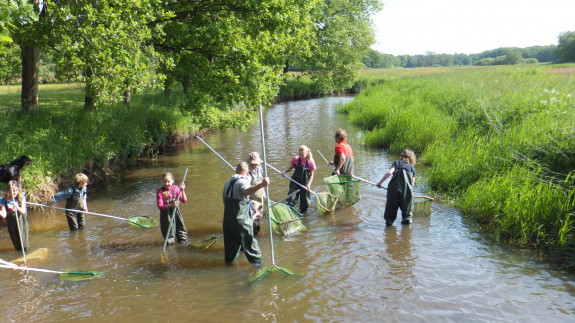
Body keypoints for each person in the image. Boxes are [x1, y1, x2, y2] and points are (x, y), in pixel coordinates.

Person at [222, 162, 269, 267]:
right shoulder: (242, 182)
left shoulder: (227, 183)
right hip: (240, 222)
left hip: (227, 222)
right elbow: (247, 191)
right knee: (252, 247)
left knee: (231, 250)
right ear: (248, 172)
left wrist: (251, 216)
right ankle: (260, 268)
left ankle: (229, 271)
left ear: (236, 170)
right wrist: (262, 184)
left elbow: (226, 204)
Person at [377, 149, 417, 226]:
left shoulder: (396, 163)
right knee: (407, 216)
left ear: (401, 156)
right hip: (406, 193)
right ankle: (405, 233)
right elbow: (412, 184)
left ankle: (388, 230)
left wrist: (380, 183)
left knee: (390, 215)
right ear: (411, 158)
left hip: (393, 191)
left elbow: (389, 173)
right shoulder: (412, 168)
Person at [282, 145, 316, 213]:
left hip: (305, 183)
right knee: (291, 198)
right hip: (295, 181)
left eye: (302, 155)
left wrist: (308, 185)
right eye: (299, 154)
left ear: (306, 153)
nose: (300, 156)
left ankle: (303, 214)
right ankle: (290, 210)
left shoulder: (310, 162)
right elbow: (290, 167)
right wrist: (285, 171)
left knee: (304, 202)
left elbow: (312, 175)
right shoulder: (296, 159)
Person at [156, 172, 188, 245]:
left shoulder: (176, 189)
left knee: (181, 230)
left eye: (168, 182)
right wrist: (171, 204)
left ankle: (183, 245)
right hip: (166, 215)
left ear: (172, 181)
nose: (167, 184)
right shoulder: (160, 191)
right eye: (165, 182)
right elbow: (160, 206)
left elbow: (184, 200)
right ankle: (170, 249)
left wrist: (182, 190)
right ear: (162, 181)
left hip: (176, 213)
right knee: (169, 233)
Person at [0, 180, 29, 251]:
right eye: (13, 190)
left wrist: (17, 207)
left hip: (22, 221)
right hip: (12, 223)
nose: (15, 192)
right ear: (8, 190)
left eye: (16, 190)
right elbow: (4, 215)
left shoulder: (21, 197)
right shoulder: (4, 200)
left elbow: (23, 211)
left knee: (24, 243)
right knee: (17, 244)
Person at [247, 152, 265, 235]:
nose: (254, 166)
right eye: (252, 164)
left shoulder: (260, 168)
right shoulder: (248, 174)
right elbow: (246, 188)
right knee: (253, 218)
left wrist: (264, 192)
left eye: (256, 164)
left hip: (260, 196)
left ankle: (256, 231)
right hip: (252, 199)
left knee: (260, 216)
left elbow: (262, 181)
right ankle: (253, 234)